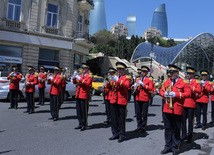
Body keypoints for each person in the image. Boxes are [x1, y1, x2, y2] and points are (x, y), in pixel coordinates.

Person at [159, 64, 191, 155]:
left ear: (177, 73)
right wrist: (163, 94)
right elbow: (161, 90)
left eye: (172, 73)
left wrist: (176, 94)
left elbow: (188, 94)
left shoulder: (183, 82)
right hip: (166, 108)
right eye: (170, 72)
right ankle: (167, 146)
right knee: (168, 128)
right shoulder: (166, 81)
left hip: (177, 108)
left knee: (176, 129)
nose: (170, 74)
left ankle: (175, 147)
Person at [109, 62, 130, 143]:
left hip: (121, 101)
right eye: (118, 69)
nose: (119, 71)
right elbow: (110, 87)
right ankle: (115, 133)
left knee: (121, 119)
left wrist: (117, 80)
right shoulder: (115, 77)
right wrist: (107, 83)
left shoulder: (126, 77)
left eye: (121, 69)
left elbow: (126, 86)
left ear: (124, 70)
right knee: (113, 118)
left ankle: (122, 134)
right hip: (114, 100)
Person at [181, 67, 201, 143]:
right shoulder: (184, 81)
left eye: (190, 74)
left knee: (190, 121)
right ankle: (183, 135)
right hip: (184, 103)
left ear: (193, 75)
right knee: (183, 121)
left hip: (191, 104)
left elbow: (199, 90)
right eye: (187, 73)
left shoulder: (196, 82)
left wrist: (192, 88)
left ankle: (189, 136)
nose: (188, 75)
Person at [73, 63, 92, 131]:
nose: (83, 70)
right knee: (78, 110)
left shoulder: (89, 76)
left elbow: (87, 83)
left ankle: (84, 124)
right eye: (83, 68)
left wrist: (79, 79)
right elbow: (75, 83)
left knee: (84, 110)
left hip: (84, 95)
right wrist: (74, 78)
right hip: (78, 94)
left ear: (87, 69)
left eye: (84, 68)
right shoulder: (80, 75)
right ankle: (80, 123)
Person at [134, 66, 152, 132]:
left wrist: (143, 84)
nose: (143, 73)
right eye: (142, 72)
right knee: (138, 113)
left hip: (144, 98)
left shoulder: (149, 79)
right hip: (138, 97)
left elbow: (150, 88)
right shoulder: (138, 79)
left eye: (144, 72)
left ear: (147, 73)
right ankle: (139, 125)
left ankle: (143, 126)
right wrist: (134, 87)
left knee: (144, 113)